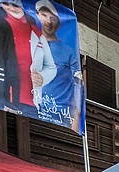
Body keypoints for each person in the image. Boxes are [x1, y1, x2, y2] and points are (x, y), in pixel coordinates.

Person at [0, 0, 56, 117]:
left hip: (30, 105)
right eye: (6, 4)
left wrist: (42, 77)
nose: (11, 8)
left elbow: (51, 67)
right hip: (1, 99)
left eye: (15, 5)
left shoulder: (37, 34)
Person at [35, 0, 83, 131]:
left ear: (58, 22)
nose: (49, 22)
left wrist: (76, 117)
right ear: (37, 15)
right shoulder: (30, 44)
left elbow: (78, 85)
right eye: (44, 15)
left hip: (61, 118)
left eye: (53, 18)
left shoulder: (69, 52)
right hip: (33, 115)